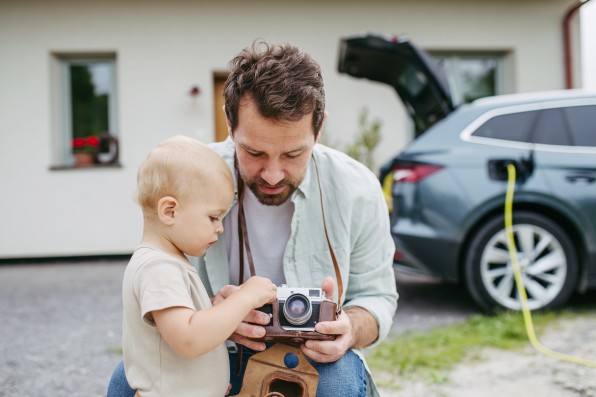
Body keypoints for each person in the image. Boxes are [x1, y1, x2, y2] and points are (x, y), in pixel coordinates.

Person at [108, 40, 398, 397]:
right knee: (125, 383)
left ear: (318, 128)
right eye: (254, 152)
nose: (273, 174)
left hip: (312, 356)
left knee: (337, 384)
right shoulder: (191, 178)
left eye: (293, 153)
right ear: (230, 126)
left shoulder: (357, 188)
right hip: (214, 347)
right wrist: (219, 315)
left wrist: (348, 329)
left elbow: (378, 297)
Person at [118, 135, 277, 396]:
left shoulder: (169, 262)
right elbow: (189, 338)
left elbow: (184, 333)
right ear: (169, 211)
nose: (220, 228)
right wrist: (246, 298)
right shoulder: (158, 268)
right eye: (213, 217)